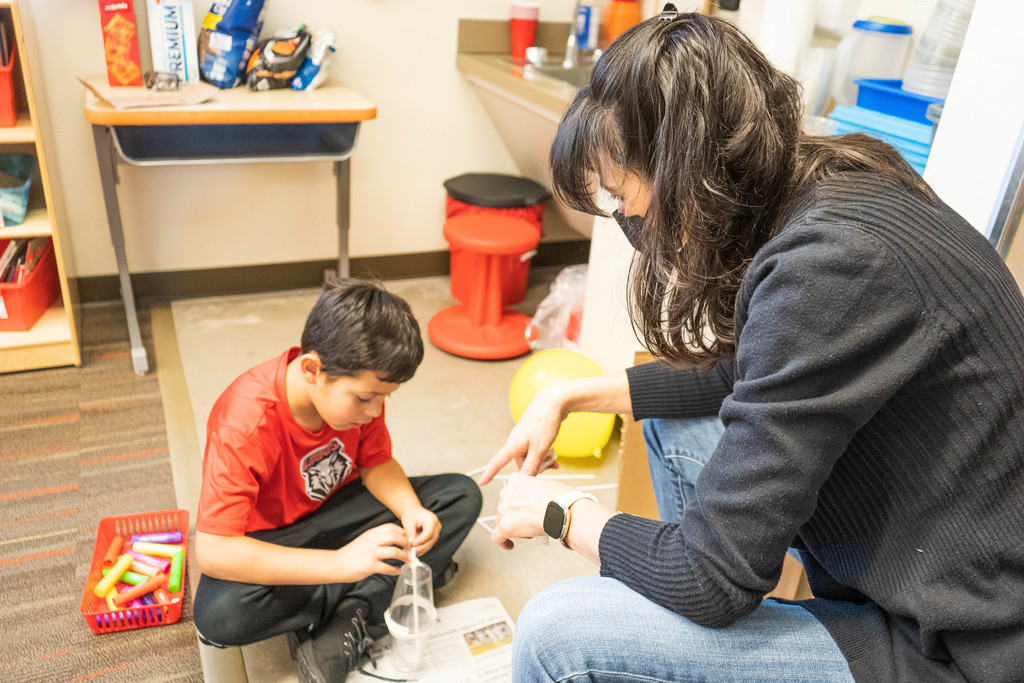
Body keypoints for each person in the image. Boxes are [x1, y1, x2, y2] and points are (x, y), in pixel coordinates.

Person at [478, 7, 1024, 683]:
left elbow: (709, 578)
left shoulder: (829, 264)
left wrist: (561, 512)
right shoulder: (828, 183)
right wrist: (574, 394)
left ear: (688, 170)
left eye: (625, 200)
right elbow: (757, 372)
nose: (629, 224)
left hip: (954, 646)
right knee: (670, 428)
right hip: (921, 556)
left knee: (558, 633)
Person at [193, 277, 482, 683]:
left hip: (340, 512)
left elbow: (376, 463)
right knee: (219, 615)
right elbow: (215, 551)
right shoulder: (243, 422)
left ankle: (347, 614)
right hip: (273, 540)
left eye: (385, 398)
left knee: (459, 496)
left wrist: (410, 509)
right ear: (313, 370)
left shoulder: (364, 394)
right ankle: (367, 598)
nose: (373, 410)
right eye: (365, 398)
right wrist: (340, 564)